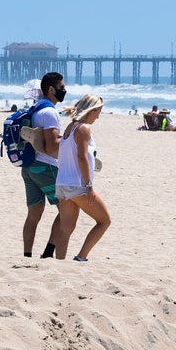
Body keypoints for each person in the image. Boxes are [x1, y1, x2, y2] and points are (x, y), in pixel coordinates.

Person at [56, 94, 111, 261]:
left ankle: (59, 264)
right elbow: (82, 158)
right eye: (98, 112)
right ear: (90, 111)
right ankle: (81, 257)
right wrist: (88, 185)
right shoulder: (84, 129)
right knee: (104, 221)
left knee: (66, 229)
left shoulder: (69, 128)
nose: (98, 116)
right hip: (77, 185)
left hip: (62, 184)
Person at [21, 72, 68, 259]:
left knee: (34, 213)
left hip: (29, 167)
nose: (64, 90)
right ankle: (48, 254)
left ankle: (26, 256)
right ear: (51, 89)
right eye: (62, 87)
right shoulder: (50, 113)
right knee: (67, 209)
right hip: (45, 167)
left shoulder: (36, 108)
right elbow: (50, 147)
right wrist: (68, 143)